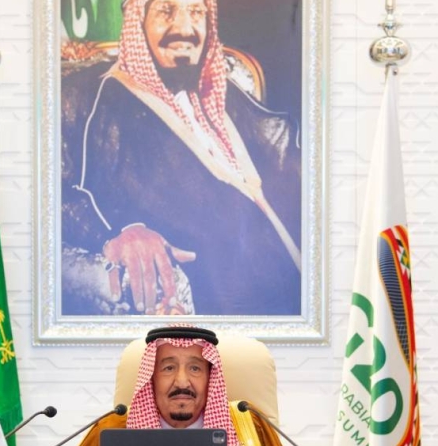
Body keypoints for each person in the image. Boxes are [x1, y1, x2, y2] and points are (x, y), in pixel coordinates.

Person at [61, 0, 302, 316]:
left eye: (197, 12)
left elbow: (284, 151)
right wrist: (120, 233)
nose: (185, 29)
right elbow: (51, 194)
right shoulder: (94, 98)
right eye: (166, 10)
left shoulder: (222, 92)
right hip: (214, 309)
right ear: (137, 21)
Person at [78, 325, 282, 446]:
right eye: (168, 368)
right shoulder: (112, 428)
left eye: (195, 368)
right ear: (151, 378)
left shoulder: (249, 425)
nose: (182, 382)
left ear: (210, 378)